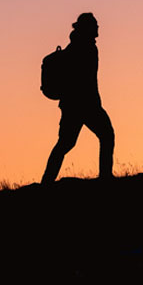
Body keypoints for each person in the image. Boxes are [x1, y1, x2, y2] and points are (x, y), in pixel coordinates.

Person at [41, 12, 115, 184]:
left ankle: (46, 181)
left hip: (73, 105)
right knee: (105, 135)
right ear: (87, 28)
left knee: (66, 143)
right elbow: (85, 79)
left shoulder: (76, 46)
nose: (98, 27)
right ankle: (105, 177)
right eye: (95, 25)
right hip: (84, 105)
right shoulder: (84, 48)